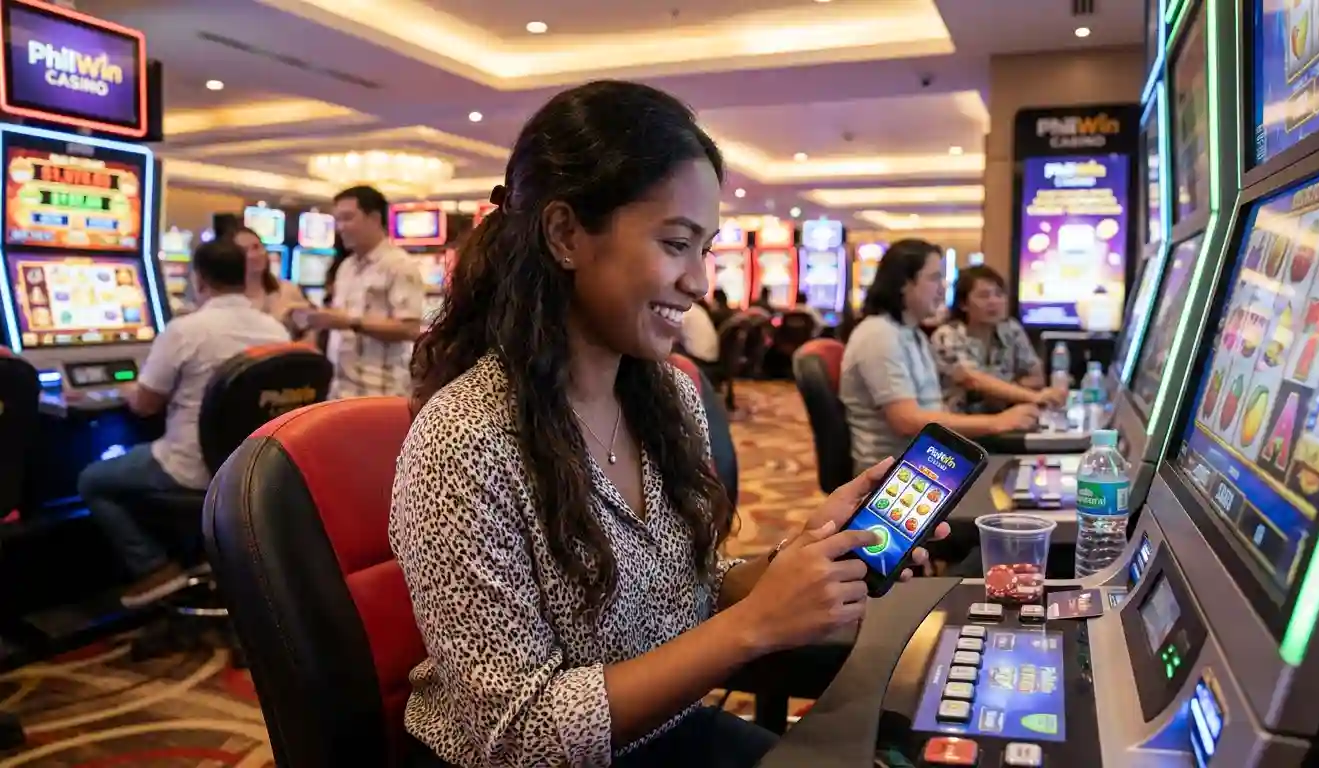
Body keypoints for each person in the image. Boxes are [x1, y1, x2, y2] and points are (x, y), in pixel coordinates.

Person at [393, 80, 946, 768]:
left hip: (659, 732)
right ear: (566, 234)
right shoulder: (465, 439)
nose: (701, 281)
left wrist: (802, 557)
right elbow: (518, 735)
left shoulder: (666, 398)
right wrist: (754, 626)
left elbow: (681, 589)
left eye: (707, 247)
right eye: (677, 243)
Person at [77, 239, 291, 607]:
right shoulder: (275, 331)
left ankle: (154, 568)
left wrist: (127, 388)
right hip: (250, 471)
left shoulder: (186, 330)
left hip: (190, 470)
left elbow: (145, 405)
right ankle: (203, 557)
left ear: (199, 279)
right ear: (244, 276)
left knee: (93, 480)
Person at [839, 239, 1040, 472]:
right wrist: (997, 423)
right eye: (934, 278)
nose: (943, 288)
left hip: (927, 461)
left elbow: (936, 405)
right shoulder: (878, 335)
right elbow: (906, 421)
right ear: (905, 283)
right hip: (895, 476)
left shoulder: (912, 334)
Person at [298, 185, 425, 398]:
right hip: (340, 390)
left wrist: (350, 322)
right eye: (337, 220)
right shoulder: (346, 267)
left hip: (381, 392)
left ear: (374, 219)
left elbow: (410, 328)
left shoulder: (400, 265)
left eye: (347, 218)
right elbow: (340, 321)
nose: (340, 227)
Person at [930, 265, 1066, 414]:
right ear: (963, 304)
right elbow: (974, 381)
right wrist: (1031, 396)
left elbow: (1036, 378)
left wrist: (1001, 390)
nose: (993, 302)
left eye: (999, 294)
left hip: (1010, 418)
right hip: (961, 424)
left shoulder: (1011, 329)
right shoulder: (947, 336)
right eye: (984, 296)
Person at [228, 226, 311, 330]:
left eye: (256, 247)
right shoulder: (227, 296)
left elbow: (309, 329)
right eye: (244, 251)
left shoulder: (287, 289)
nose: (253, 255)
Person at [680, 298, 720, 367]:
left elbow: (668, 333)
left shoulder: (685, 310)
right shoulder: (697, 309)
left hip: (700, 362)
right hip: (711, 360)